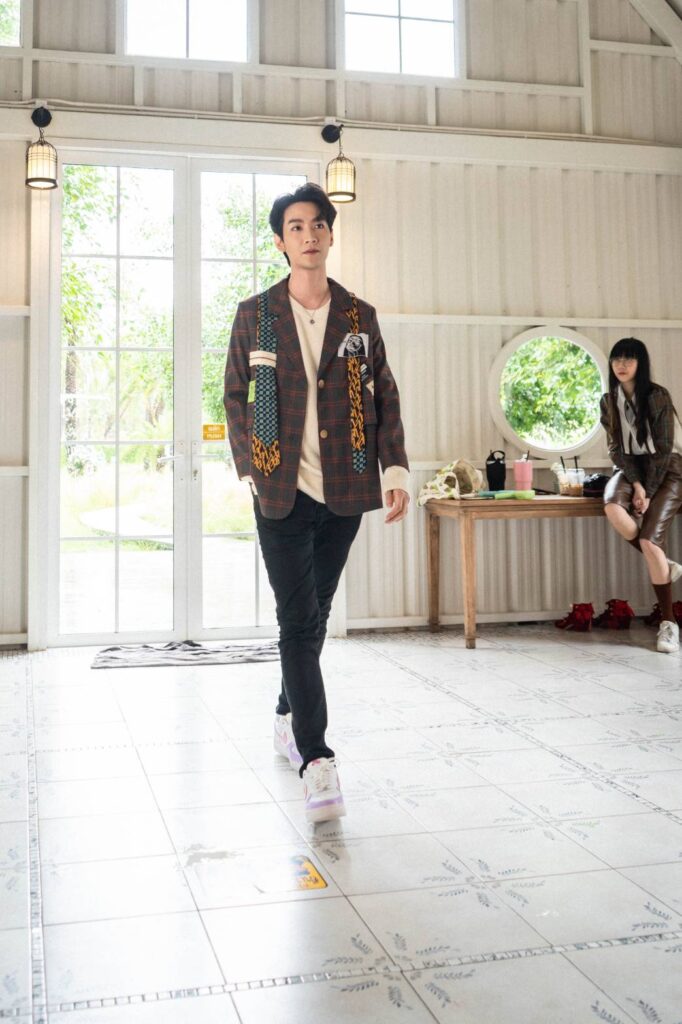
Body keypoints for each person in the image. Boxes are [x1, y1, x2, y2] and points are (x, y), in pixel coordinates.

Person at [224, 182, 410, 822]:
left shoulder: (360, 316)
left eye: (317, 225)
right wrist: (249, 466)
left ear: (330, 234)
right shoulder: (255, 314)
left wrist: (395, 469)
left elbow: (384, 395)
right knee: (298, 620)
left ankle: (285, 713)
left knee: (316, 612)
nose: (308, 235)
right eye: (296, 227)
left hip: (346, 486)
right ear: (280, 241)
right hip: (278, 488)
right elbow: (234, 396)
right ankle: (316, 758)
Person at [600, 337, 682, 653]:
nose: (621, 365)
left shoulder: (657, 396)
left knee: (649, 541)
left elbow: (663, 450)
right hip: (631, 467)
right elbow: (615, 449)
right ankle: (665, 563)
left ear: (640, 364)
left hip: (669, 468)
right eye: (617, 359)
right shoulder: (608, 400)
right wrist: (636, 484)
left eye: (629, 359)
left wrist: (647, 491)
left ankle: (669, 624)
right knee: (612, 507)